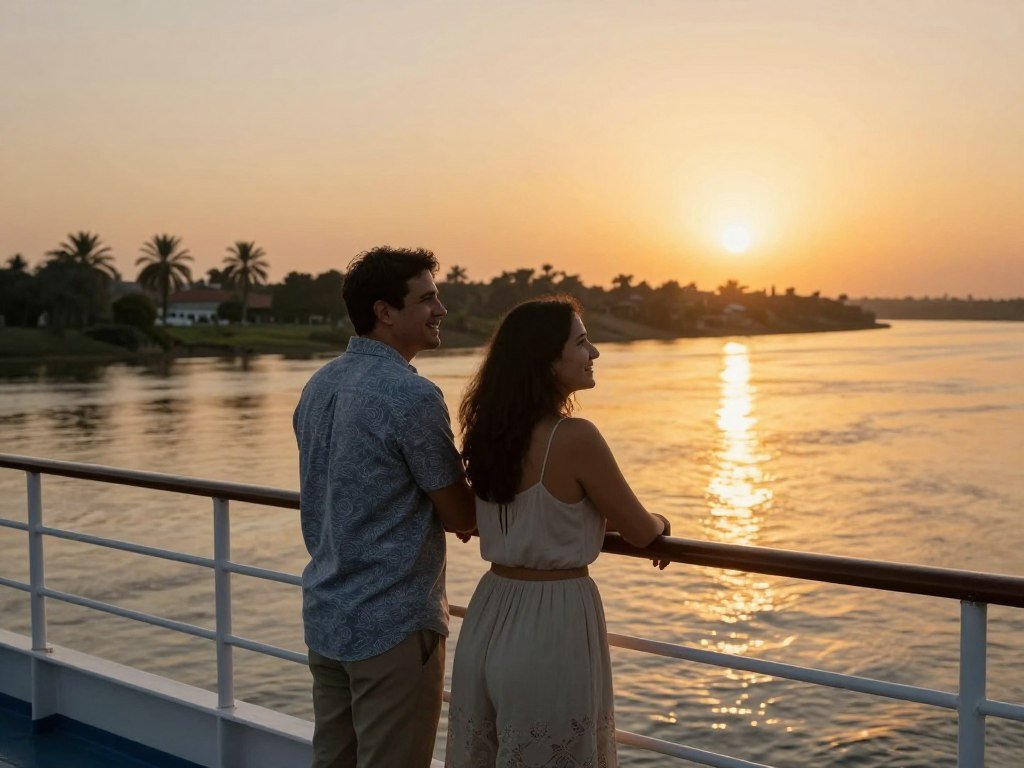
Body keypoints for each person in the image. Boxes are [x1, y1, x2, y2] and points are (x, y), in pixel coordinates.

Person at [445, 296, 671, 768]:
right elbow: (638, 528)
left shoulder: (489, 435)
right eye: (583, 342)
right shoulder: (575, 437)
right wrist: (663, 525)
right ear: (548, 360)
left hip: (490, 611)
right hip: (554, 623)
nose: (595, 354)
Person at [294, 245, 476, 768]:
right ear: (385, 311)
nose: (440, 310)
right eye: (427, 299)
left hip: (328, 612)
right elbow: (460, 514)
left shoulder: (319, 384)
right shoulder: (410, 396)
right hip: (392, 626)